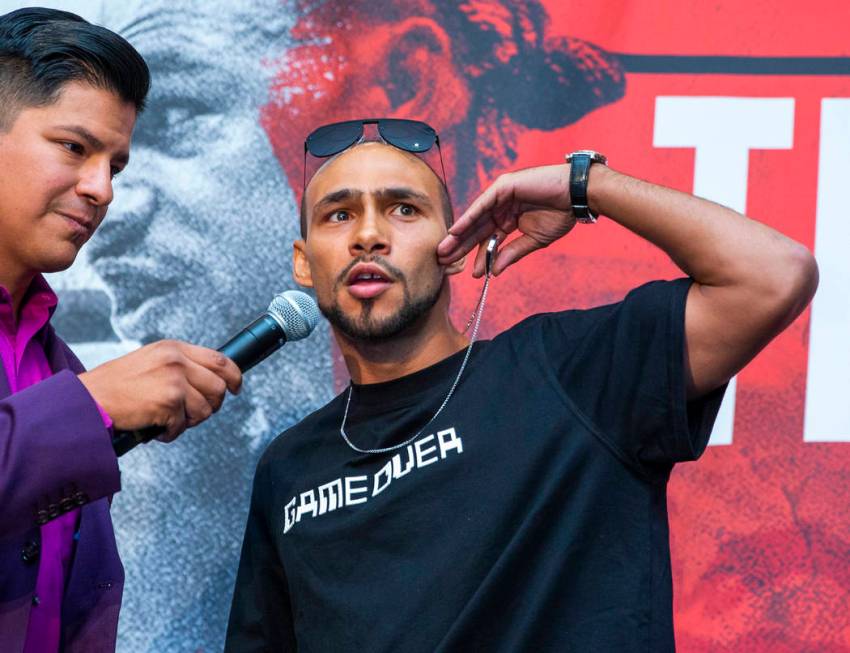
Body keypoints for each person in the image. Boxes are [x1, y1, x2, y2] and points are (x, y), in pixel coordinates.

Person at [225, 119, 818, 651]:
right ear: (304, 263)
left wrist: (583, 185)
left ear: (453, 246)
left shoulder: (567, 372)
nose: (369, 236)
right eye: (339, 214)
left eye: (404, 209)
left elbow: (773, 276)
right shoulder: (289, 467)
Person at [0, 8, 241, 652]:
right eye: (75, 148)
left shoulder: (58, 366)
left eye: (117, 165)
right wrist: (92, 406)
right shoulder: (80, 391)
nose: (102, 189)